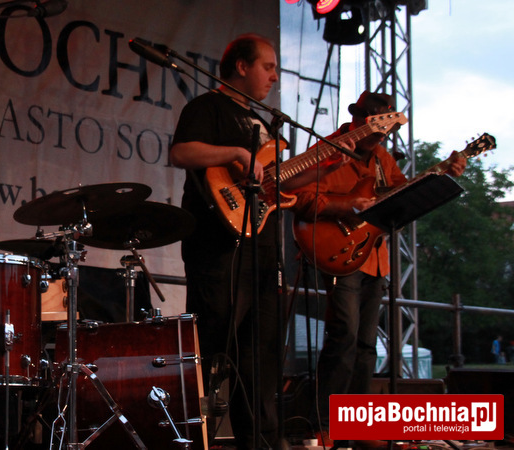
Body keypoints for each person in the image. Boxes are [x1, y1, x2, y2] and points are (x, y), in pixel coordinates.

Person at [170, 33, 328, 449]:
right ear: (241, 66)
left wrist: (332, 162)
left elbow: (281, 183)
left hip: (263, 250)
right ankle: (188, 437)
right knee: (210, 349)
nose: (275, 77)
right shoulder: (207, 107)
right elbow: (181, 153)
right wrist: (238, 154)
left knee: (261, 360)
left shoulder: (266, 123)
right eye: (268, 67)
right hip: (218, 247)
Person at [287, 90, 467, 447]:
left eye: (385, 132)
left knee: (367, 346)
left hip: (373, 256)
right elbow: (299, 198)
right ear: (359, 119)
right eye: (376, 129)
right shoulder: (328, 149)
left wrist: (442, 171)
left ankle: (356, 424)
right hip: (338, 251)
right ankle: (323, 424)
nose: (380, 137)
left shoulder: (383, 158)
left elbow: (401, 194)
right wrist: (348, 206)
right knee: (344, 336)